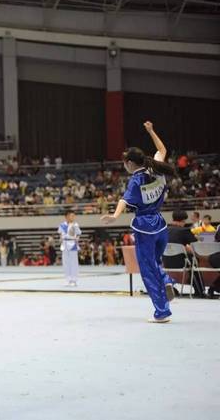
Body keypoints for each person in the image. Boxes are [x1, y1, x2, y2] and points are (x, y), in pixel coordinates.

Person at [101, 121, 176, 323]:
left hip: (144, 227)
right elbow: (162, 149)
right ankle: (166, 279)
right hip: (160, 225)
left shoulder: (136, 180)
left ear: (130, 164)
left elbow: (124, 200)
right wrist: (151, 131)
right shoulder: (157, 168)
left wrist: (115, 216)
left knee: (147, 269)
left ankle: (161, 312)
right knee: (156, 262)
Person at [163, 210, 205, 298]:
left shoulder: (164, 230)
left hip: (166, 261)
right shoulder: (184, 230)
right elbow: (196, 246)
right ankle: (200, 291)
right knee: (194, 261)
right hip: (181, 263)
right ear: (183, 220)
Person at [58, 210, 81, 286]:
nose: (73, 217)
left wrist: (77, 238)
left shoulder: (75, 225)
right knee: (66, 263)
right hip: (64, 244)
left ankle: (74, 280)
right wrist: (61, 239)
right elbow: (61, 234)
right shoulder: (62, 225)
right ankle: (67, 279)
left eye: (74, 216)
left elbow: (78, 234)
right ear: (67, 216)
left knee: (74, 263)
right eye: (71, 216)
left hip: (73, 244)